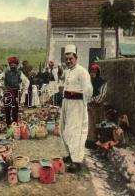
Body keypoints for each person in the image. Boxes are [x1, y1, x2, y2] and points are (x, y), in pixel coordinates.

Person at [60, 44, 93, 173]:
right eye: (66, 59)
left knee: (75, 132)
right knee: (65, 130)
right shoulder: (67, 71)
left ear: (76, 58)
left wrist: (83, 103)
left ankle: (77, 161)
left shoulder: (82, 71)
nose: (68, 61)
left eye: (71, 59)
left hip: (77, 105)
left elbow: (88, 90)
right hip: (67, 103)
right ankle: (70, 154)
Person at [0, 57, 29, 126]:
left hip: (16, 93)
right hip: (7, 92)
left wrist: (24, 90)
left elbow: (27, 81)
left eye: (14, 64)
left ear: (17, 65)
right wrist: (1, 86)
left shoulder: (19, 73)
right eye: (11, 64)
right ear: (9, 65)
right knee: (7, 108)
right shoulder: (6, 72)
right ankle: (8, 124)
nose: (13, 66)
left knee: (15, 109)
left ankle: (14, 124)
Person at [86, 63, 108, 149]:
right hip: (89, 106)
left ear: (98, 72)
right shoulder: (88, 81)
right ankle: (90, 143)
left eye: (95, 71)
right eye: (91, 71)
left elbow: (102, 95)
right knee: (89, 125)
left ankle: (97, 144)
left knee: (97, 124)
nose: (93, 73)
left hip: (97, 106)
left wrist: (91, 100)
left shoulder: (103, 82)